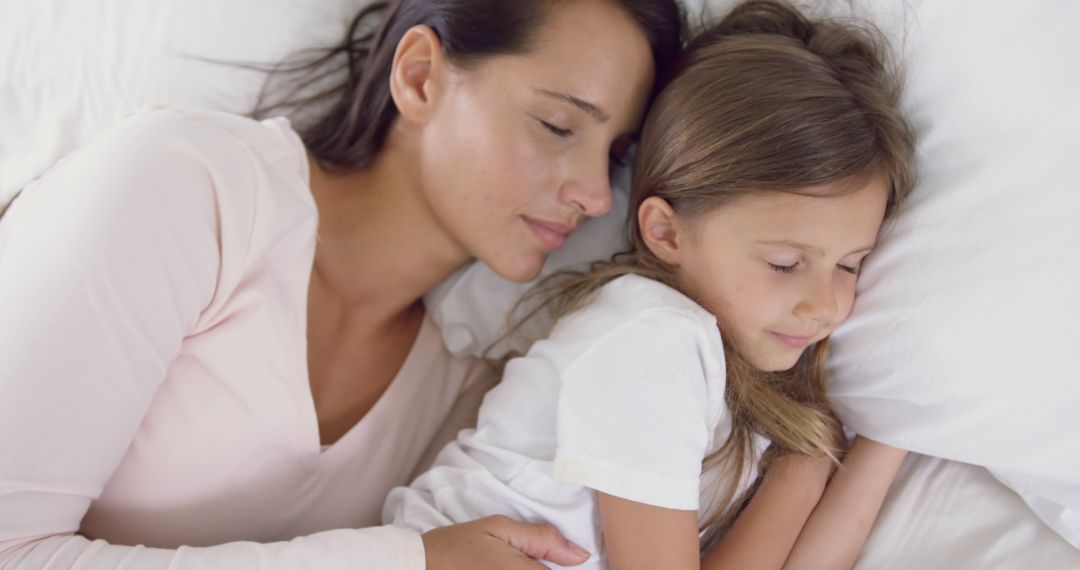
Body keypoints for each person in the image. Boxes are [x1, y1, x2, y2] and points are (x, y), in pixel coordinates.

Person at [0, 1, 683, 568]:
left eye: (617, 158)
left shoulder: (461, 401)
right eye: (558, 125)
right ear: (420, 78)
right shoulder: (190, 186)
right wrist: (408, 560)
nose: (598, 196)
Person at [382, 1, 916, 568]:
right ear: (666, 231)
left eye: (850, 265)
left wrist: (884, 437)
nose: (825, 305)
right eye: (784, 263)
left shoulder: (732, 380)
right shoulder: (654, 340)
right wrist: (801, 473)